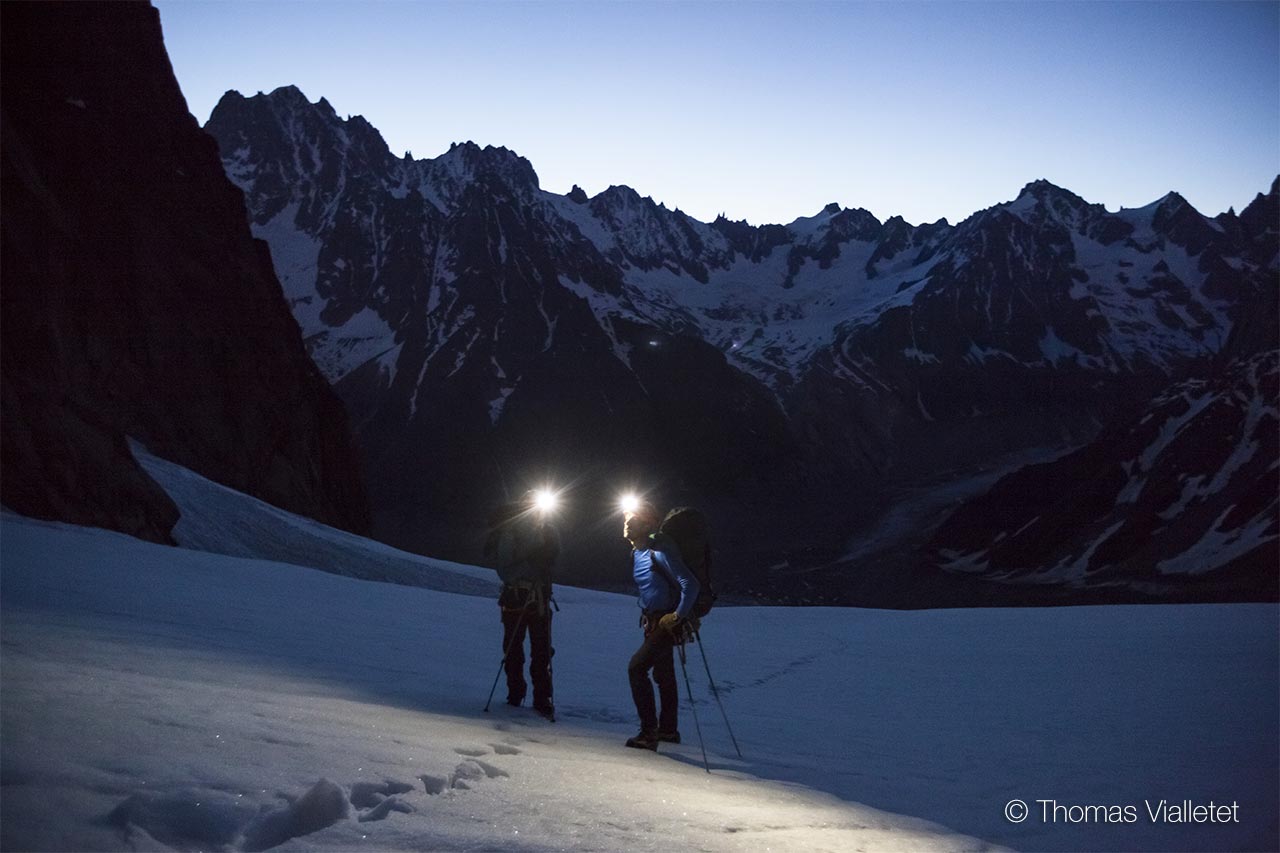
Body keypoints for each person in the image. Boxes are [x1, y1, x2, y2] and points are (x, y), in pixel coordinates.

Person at [622, 501, 700, 750]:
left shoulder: (660, 550)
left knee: (637, 668)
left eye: (632, 520)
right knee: (663, 674)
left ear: (646, 524)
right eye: (625, 519)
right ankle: (668, 730)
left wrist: (678, 615)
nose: (626, 523)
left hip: (666, 622)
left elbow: (691, 584)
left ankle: (648, 733)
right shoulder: (638, 551)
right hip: (655, 620)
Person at [483, 492, 560, 719]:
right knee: (514, 648)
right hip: (517, 596)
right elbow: (504, 568)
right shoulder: (511, 531)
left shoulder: (548, 530)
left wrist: (543, 560)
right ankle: (516, 693)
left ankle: (540, 697)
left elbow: (552, 562)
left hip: (538, 598)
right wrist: (532, 560)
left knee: (542, 650)